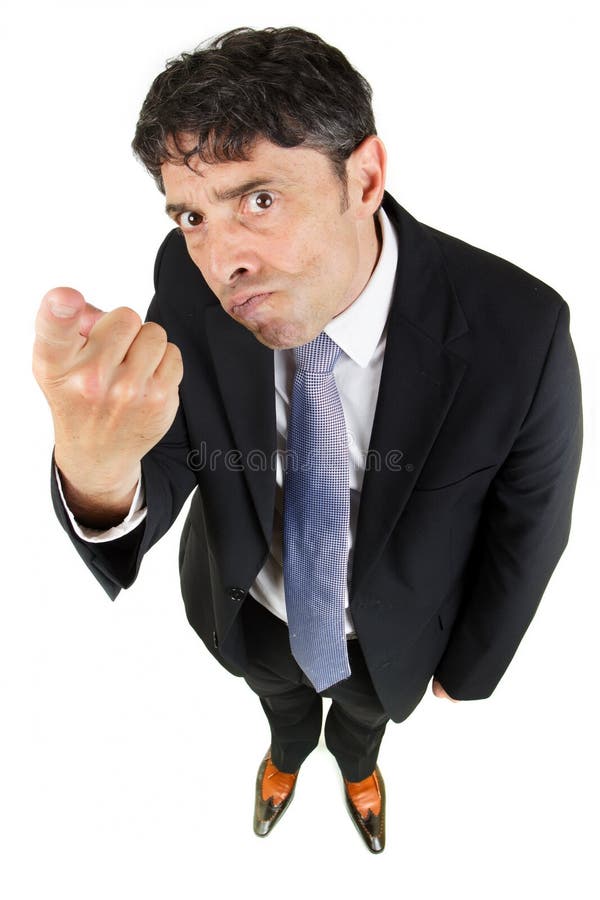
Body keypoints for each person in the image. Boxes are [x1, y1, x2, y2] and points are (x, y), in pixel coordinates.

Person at [32, 26, 583, 854]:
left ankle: (357, 767)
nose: (224, 262)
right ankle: (287, 753)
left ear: (363, 178)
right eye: (192, 214)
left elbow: (530, 522)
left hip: (391, 634)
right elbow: (174, 440)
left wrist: (472, 668)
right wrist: (97, 468)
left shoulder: (521, 327)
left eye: (258, 198)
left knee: (362, 720)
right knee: (281, 703)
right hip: (250, 610)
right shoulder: (186, 278)